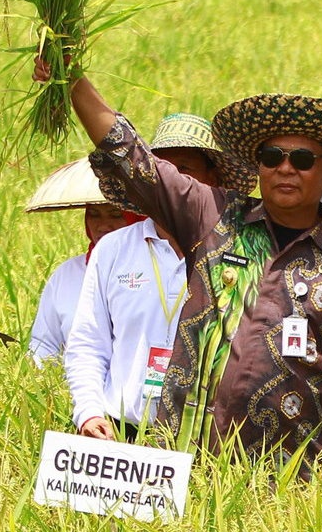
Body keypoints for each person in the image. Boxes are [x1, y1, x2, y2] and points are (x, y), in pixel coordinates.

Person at [36, 59, 322, 471]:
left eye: (302, 159)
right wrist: (73, 79)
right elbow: (133, 159)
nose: (285, 168)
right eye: (271, 155)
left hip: (295, 482)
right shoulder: (215, 217)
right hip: (185, 465)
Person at [63, 113, 240, 441]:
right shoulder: (114, 250)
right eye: (161, 169)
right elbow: (88, 341)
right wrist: (88, 411)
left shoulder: (240, 255)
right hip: (120, 433)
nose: (169, 182)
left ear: (213, 181)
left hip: (209, 441)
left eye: (184, 170)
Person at [28, 194, 136, 363]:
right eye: (94, 214)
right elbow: (44, 345)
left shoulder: (158, 273)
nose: (103, 226)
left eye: (116, 215)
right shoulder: (67, 274)